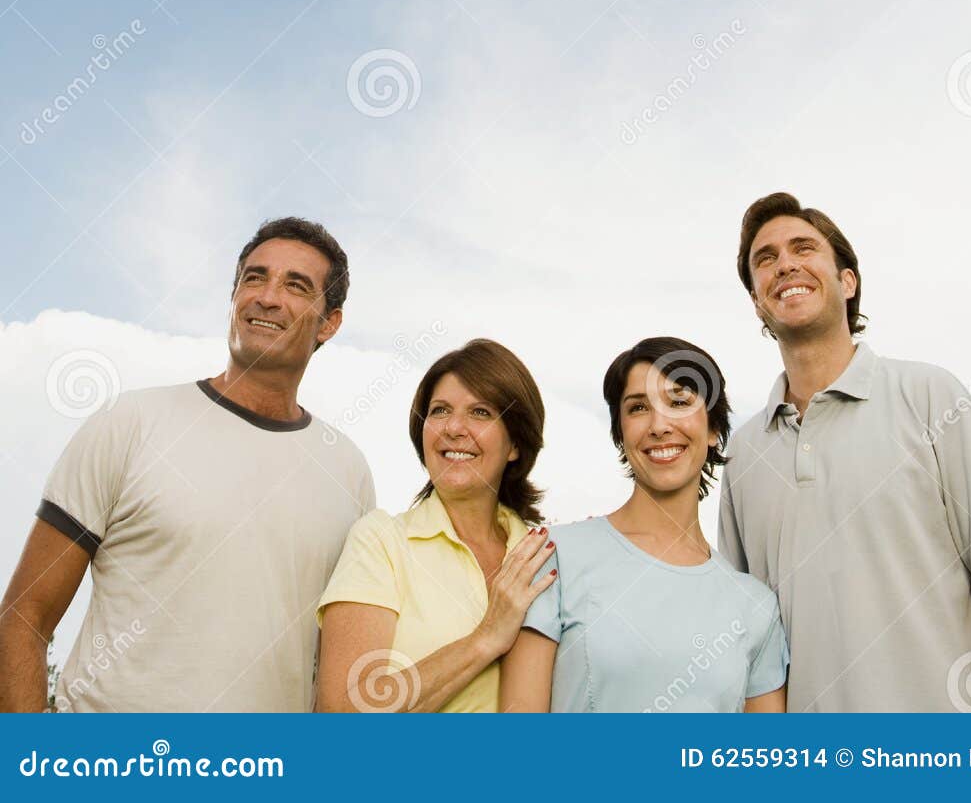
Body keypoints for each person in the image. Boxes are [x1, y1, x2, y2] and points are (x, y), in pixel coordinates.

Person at [0, 217, 374, 713]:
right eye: (255, 278)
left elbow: (342, 675)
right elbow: (25, 615)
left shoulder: (347, 471)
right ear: (234, 296)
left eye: (296, 286)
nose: (267, 297)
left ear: (329, 322)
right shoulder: (129, 423)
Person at [718, 191, 971, 713]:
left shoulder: (931, 397)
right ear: (757, 301)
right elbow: (746, 646)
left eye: (803, 248)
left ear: (847, 281)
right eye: (764, 260)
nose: (784, 264)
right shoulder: (743, 457)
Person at [500, 337, 788, 713]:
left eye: (680, 402)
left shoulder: (756, 607)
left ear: (715, 428)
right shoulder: (554, 556)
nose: (659, 425)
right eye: (638, 408)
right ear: (621, 433)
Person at [316, 338, 555, 712]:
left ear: (515, 444)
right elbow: (342, 713)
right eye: (440, 411)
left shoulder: (543, 554)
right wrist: (485, 639)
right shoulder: (381, 542)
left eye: (480, 412)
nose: (454, 428)